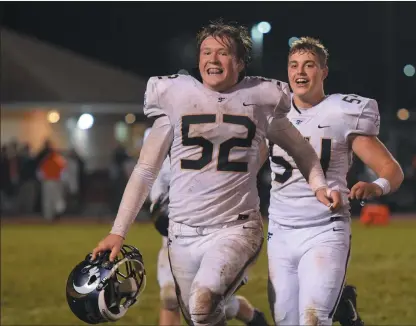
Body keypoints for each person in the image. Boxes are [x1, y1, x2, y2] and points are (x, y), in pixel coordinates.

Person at [91, 20, 340, 326]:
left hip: (234, 228)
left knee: (202, 303)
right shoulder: (177, 96)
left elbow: (302, 151)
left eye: (222, 53)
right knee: (201, 317)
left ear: (239, 62)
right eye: (206, 52)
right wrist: (119, 230)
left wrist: (317, 185)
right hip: (180, 233)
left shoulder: (260, 98)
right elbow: (145, 170)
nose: (212, 59)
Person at [265, 37, 404, 326]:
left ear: (323, 71)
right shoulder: (271, 111)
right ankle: (344, 306)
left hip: (324, 229)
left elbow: (391, 168)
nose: (300, 72)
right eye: (293, 65)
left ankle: (337, 306)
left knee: (313, 319)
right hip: (279, 230)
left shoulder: (343, 112)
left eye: (309, 65)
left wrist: (376, 186)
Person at [150, 157, 268, 326]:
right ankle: (249, 315)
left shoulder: (219, 147)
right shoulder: (163, 147)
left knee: (205, 304)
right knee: (170, 297)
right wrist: (161, 211)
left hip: (217, 235)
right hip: (177, 237)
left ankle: (250, 315)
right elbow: (157, 198)